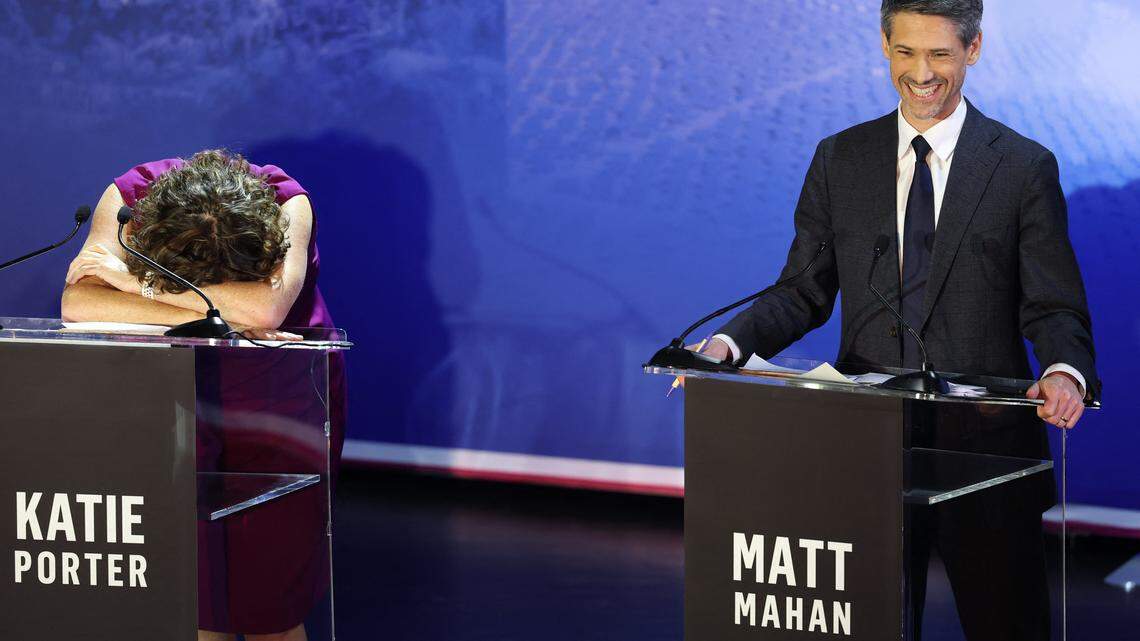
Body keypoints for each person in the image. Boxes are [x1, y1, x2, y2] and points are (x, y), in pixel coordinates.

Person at [696, 1, 1097, 639]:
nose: (921, 73)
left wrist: (1065, 372)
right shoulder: (840, 159)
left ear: (974, 49)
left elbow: (1053, 304)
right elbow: (802, 292)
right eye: (906, 52)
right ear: (885, 45)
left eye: (939, 54)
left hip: (988, 452)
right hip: (863, 449)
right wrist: (725, 346)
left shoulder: (1022, 167)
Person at [61, 149, 346, 641]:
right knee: (192, 597)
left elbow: (262, 312)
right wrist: (222, 310)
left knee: (269, 605)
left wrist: (136, 285)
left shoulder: (287, 202)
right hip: (174, 394)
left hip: (282, 396)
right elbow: (79, 301)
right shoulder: (130, 197)